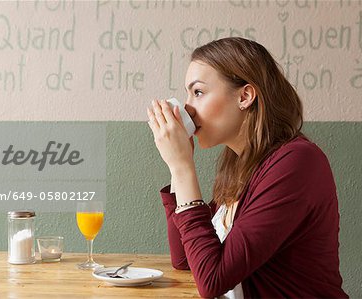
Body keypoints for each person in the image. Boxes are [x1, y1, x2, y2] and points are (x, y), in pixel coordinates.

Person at [146, 37, 348, 298]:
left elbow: (212, 280)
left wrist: (183, 167)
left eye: (198, 92)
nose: (187, 108)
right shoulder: (240, 164)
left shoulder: (297, 162)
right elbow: (186, 261)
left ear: (245, 96)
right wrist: (176, 169)